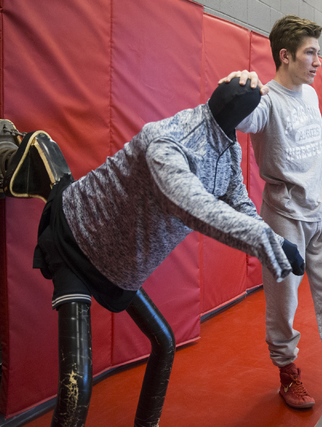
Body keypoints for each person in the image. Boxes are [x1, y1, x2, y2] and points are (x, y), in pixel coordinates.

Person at [31, 78, 305, 426]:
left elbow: (237, 200)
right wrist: (268, 242)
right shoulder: (167, 141)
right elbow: (192, 204)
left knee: (163, 342)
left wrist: (271, 239)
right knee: (78, 386)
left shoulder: (227, 144)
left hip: (118, 269)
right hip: (77, 238)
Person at [220, 15, 322, 420]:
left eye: (319, 54)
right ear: (285, 55)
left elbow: (309, 141)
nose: (317, 62)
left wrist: (321, 167)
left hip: (321, 209)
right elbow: (235, 116)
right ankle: (288, 373)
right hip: (283, 217)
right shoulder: (264, 102)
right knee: (283, 303)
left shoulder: (309, 95)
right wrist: (236, 86)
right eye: (310, 53)